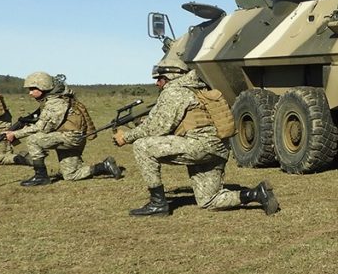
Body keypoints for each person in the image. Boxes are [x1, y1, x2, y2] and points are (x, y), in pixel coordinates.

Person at [113, 55, 279, 217]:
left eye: (160, 78)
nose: (157, 83)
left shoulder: (174, 91)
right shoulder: (198, 87)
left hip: (199, 145)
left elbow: (157, 128)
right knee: (209, 200)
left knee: (142, 146)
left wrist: (126, 137)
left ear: (171, 76)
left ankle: (158, 203)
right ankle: (256, 194)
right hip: (218, 148)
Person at [5, 72, 122, 187]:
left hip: (70, 137)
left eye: (32, 89)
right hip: (72, 136)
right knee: (71, 175)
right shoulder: (59, 98)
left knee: (33, 140)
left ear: (43, 87)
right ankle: (104, 166)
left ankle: (41, 176)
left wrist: (15, 134)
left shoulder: (55, 102)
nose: (30, 93)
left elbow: (42, 128)